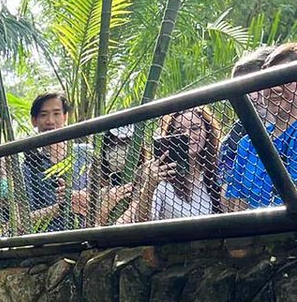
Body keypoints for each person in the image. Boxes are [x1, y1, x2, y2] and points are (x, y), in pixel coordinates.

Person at [225, 42, 297, 210]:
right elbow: (236, 203)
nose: (275, 88)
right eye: (268, 81)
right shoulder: (247, 144)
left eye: (286, 80)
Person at [120, 107, 221, 221]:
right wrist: (150, 184)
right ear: (170, 137)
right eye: (179, 132)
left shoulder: (217, 170)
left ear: (207, 131)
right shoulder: (160, 174)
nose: (188, 135)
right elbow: (141, 221)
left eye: (195, 128)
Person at [22, 91, 89, 229]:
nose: (50, 121)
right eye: (43, 115)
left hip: (87, 232)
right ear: (34, 120)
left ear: (65, 117)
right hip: (48, 237)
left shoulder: (86, 153)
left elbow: (103, 193)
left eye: (56, 114)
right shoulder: (29, 165)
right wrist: (62, 207)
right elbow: (23, 219)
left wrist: (82, 198)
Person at [218, 46, 275, 186]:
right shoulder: (235, 137)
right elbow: (226, 188)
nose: (253, 97)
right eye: (245, 90)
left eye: (257, 86)